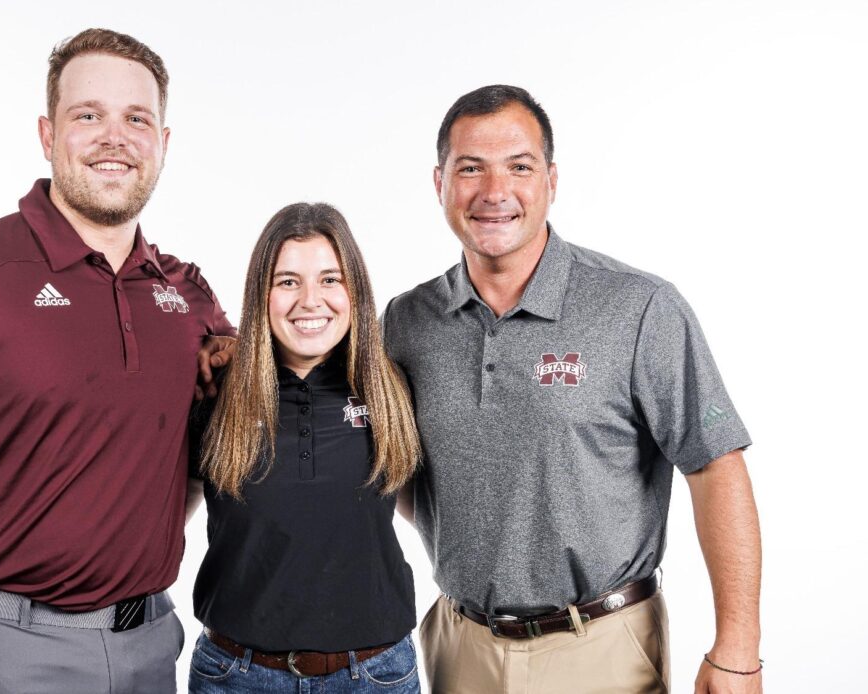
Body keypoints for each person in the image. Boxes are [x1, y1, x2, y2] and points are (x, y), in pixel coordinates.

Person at [0, 28, 234, 693]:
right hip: (2, 650)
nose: (115, 136)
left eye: (136, 118)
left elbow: (215, 442)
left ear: (163, 143)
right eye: (89, 115)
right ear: (48, 134)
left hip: (152, 646)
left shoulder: (187, 293)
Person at [381, 85, 762, 693]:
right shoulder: (407, 321)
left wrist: (737, 649)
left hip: (603, 648)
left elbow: (716, 468)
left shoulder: (639, 308)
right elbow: (394, 466)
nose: (494, 191)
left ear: (552, 180)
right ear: (440, 183)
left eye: (519, 167)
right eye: (470, 168)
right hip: (461, 648)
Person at [186, 203, 423, 693]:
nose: (310, 301)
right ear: (261, 294)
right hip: (237, 675)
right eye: (288, 281)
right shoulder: (216, 391)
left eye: (330, 280)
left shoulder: (390, 386)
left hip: (375, 675)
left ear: (354, 290)